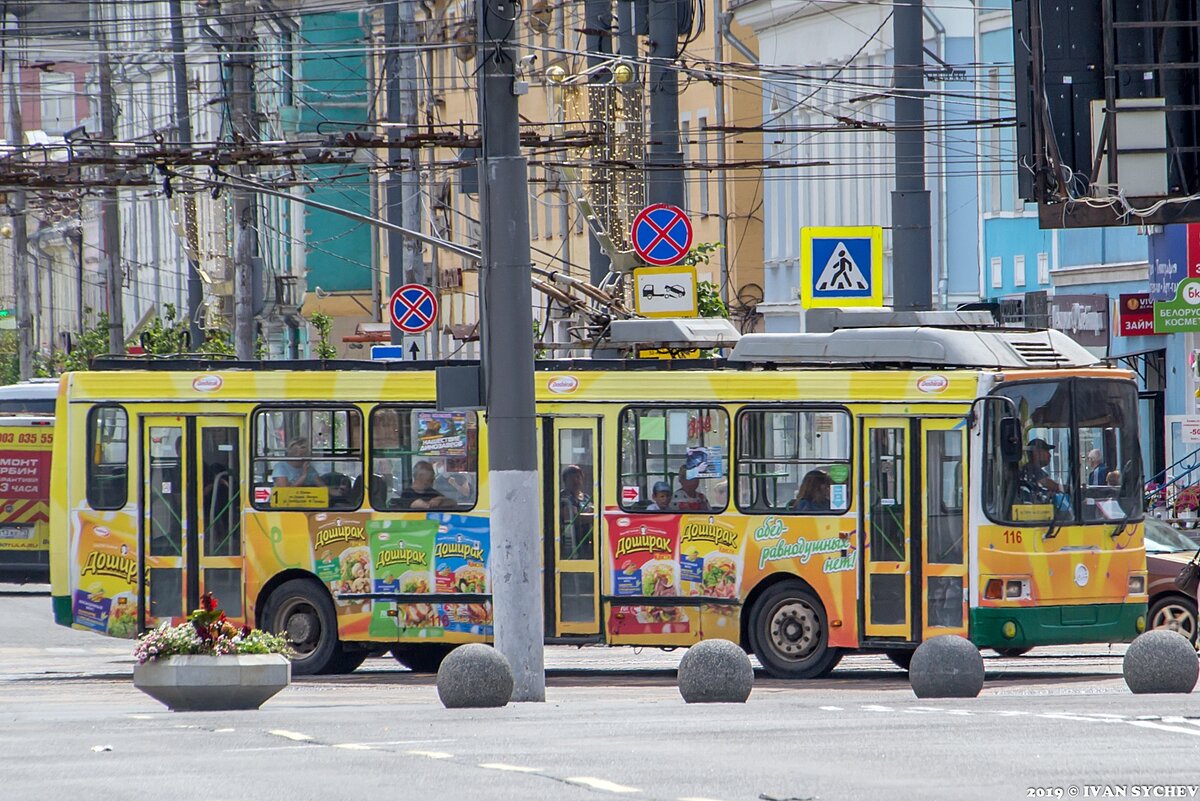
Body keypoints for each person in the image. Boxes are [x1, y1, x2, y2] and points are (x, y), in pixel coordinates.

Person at [560, 464, 594, 557]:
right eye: (571, 478)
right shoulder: (564, 497)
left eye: (578, 477)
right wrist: (593, 516)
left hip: (588, 541)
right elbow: (573, 518)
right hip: (571, 542)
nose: (576, 481)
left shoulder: (586, 497)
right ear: (565, 481)